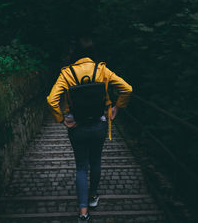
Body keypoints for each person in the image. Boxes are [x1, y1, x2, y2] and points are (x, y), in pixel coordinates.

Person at [46, 34, 133, 222]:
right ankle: (93, 196)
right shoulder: (102, 70)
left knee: (81, 167)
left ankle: (83, 213)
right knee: (95, 161)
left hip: (77, 127)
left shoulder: (67, 73)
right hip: (99, 125)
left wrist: (62, 119)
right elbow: (127, 88)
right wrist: (117, 106)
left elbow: (51, 100)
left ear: (75, 52)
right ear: (92, 52)